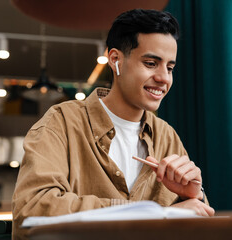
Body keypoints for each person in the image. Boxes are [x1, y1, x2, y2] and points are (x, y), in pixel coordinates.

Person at [12, 8, 214, 240]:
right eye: (150, 63)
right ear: (115, 59)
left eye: (170, 68)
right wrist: (158, 215)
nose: (164, 78)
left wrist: (194, 196)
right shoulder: (61, 122)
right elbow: (32, 211)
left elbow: (202, 220)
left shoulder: (166, 135)